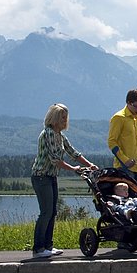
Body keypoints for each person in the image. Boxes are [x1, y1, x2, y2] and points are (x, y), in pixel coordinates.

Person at [30, 103, 97, 258]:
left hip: (51, 176)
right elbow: (55, 159)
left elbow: (73, 152)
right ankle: (38, 248)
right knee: (46, 212)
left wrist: (90, 165)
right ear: (54, 118)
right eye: (62, 117)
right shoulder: (49, 134)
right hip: (41, 177)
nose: (64, 120)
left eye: (66, 118)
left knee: (52, 212)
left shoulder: (60, 135)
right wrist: (74, 169)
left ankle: (48, 245)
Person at [107, 88, 137, 189]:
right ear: (128, 102)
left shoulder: (136, 118)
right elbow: (112, 142)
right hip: (124, 168)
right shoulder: (119, 117)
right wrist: (125, 160)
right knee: (127, 201)